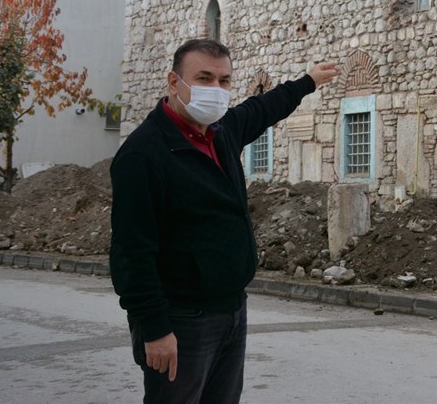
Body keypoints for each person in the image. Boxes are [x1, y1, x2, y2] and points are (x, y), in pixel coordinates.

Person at [110, 38, 339, 403]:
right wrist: (154, 329)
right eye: (204, 78)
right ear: (174, 82)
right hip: (181, 319)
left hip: (231, 310)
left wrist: (307, 81)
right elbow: (131, 252)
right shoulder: (143, 154)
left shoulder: (221, 132)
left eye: (224, 80)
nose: (216, 90)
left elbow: (264, 107)